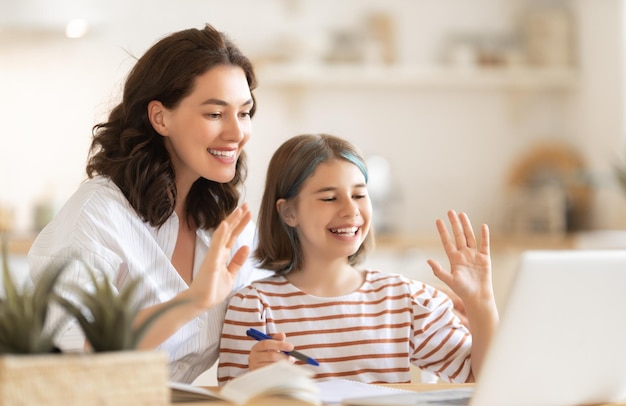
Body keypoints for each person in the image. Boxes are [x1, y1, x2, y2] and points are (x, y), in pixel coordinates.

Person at [27, 23, 270, 383]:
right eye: (215, 114)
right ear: (160, 117)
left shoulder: (224, 222)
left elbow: (248, 336)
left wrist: (264, 355)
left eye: (244, 112)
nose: (237, 132)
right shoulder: (97, 216)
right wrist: (190, 301)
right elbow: (72, 354)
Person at [218, 133, 499, 385]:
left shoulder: (407, 300)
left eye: (359, 195)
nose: (351, 210)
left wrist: (481, 301)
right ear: (289, 212)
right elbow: (230, 403)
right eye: (329, 198)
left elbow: (482, 378)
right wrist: (258, 378)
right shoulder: (254, 306)